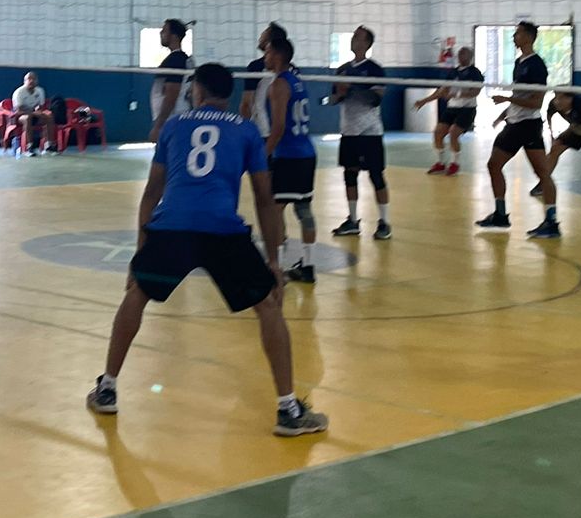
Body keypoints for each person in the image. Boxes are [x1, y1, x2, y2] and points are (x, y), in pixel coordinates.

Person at [85, 63, 327, 437]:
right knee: (268, 305)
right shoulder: (246, 130)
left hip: (173, 227)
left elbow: (151, 193)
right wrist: (273, 262)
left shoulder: (173, 126)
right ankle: (288, 409)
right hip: (222, 229)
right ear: (228, 95)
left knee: (137, 293)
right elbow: (264, 199)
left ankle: (108, 389)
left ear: (197, 91)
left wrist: (140, 252)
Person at [476, 21, 559, 238]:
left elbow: (536, 102)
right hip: (514, 124)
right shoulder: (518, 63)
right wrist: (503, 114)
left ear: (529, 37)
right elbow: (519, 97)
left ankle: (551, 222)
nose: (514, 36)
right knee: (494, 165)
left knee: (541, 173)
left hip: (528, 125)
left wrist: (507, 99)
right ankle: (500, 215)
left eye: (518, 33)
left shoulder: (537, 65)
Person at [260, 25, 320, 285]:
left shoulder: (279, 85)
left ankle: (276, 266)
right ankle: (308, 265)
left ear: (277, 55)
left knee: (274, 209)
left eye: (267, 52)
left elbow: (278, 127)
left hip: (289, 155)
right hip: (306, 152)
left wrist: (263, 155)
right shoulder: (297, 80)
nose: (264, 56)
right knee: (303, 209)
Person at [329, 26, 390, 240]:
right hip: (349, 130)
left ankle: (384, 222)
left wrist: (352, 88)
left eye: (358, 37)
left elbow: (376, 99)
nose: (353, 40)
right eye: (353, 37)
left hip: (370, 131)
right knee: (350, 174)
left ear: (367, 43)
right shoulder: (342, 69)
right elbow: (333, 99)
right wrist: (339, 94)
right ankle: (353, 221)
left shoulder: (375, 69)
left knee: (376, 175)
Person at [415, 45, 484, 175]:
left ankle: (455, 163)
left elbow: (475, 92)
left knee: (453, 133)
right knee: (438, 133)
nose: (460, 55)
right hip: (452, 108)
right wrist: (424, 101)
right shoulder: (453, 72)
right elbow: (442, 90)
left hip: (467, 109)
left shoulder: (475, 73)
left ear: (470, 56)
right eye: (459, 53)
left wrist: (456, 94)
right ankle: (440, 163)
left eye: (464, 53)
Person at [148, 18, 191, 144]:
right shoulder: (182, 59)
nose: (161, 33)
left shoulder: (176, 60)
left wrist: (158, 126)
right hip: (176, 119)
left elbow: (171, 95)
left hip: (172, 120)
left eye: (164, 31)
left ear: (174, 36)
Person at [10, 71, 55, 153]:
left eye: (33, 79)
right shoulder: (19, 92)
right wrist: (33, 113)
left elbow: (40, 107)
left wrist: (40, 112)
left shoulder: (40, 91)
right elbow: (18, 111)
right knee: (28, 118)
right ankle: (29, 146)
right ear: (24, 81)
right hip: (19, 117)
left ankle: (49, 145)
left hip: (33, 114)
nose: (31, 81)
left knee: (49, 116)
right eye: (29, 79)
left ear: (37, 81)